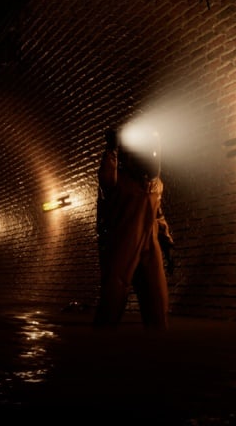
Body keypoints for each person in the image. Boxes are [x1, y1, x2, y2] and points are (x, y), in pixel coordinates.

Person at [94, 123, 175, 329]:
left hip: (150, 245)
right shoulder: (119, 180)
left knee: (157, 297)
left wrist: (166, 240)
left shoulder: (156, 185)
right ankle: (102, 335)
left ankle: (157, 334)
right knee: (114, 294)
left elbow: (157, 213)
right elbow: (106, 178)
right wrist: (111, 149)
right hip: (123, 242)